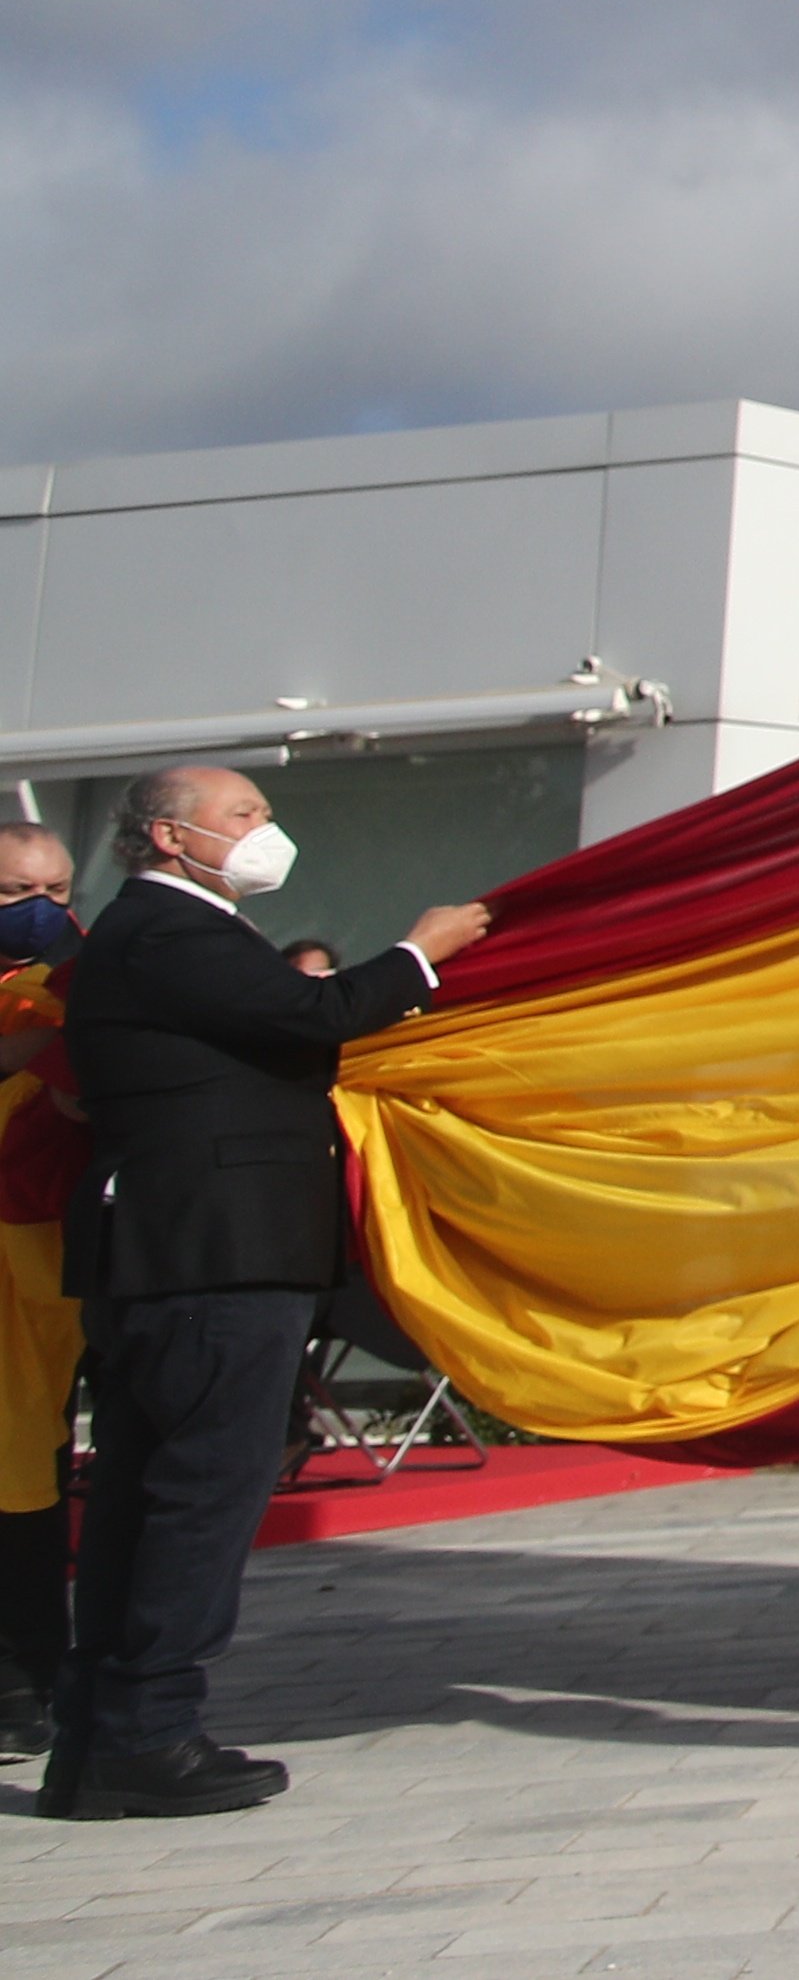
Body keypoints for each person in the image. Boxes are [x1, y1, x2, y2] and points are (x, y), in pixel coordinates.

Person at [47, 767, 485, 1819]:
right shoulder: (166, 931)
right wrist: (423, 952)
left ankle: (103, 1739)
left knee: (146, 1495)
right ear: (167, 834)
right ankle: (148, 1730)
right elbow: (314, 1012)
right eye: (243, 815)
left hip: (183, 1255)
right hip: (211, 1258)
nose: (265, 832)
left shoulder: (168, 934)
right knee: (199, 1495)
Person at [0, 825, 85, 1760]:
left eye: (58, 889)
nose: (44, 909)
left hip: (61, 1249)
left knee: (32, 1461)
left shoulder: (88, 977)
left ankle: (41, 1664)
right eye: (17, 891)